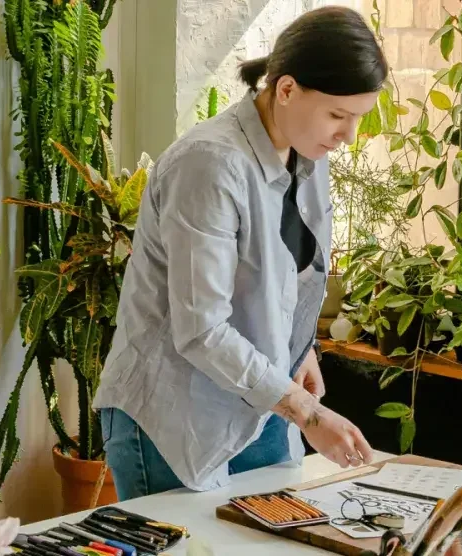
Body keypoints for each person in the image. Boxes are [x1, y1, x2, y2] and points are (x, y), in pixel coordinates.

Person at [92, 5, 390, 500]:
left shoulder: (308, 155)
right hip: (178, 419)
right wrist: (309, 413)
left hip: (265, 405)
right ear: (287, 89)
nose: (348, 136)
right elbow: (202, 328)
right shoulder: (209, 166)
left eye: (357, 117)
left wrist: (303, 351)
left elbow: (290, 278)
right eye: (338, 114)